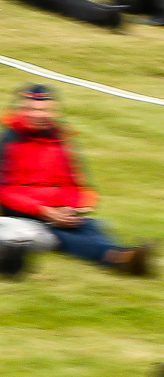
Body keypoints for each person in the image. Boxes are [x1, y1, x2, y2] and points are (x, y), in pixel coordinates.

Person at [0, 85, 153, 277]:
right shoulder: (9, 141)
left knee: (91, 225)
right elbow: (4, 191)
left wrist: (72, 208)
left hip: (58, 211)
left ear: (54, 112)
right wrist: (44, 211)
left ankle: (121, 255)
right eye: (32, 109)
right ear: (21, 110)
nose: (38, 115)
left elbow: (74, 184)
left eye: (44, 110)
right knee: (57, 234)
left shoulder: (61, 140)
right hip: (25, 212)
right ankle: (118, 258)